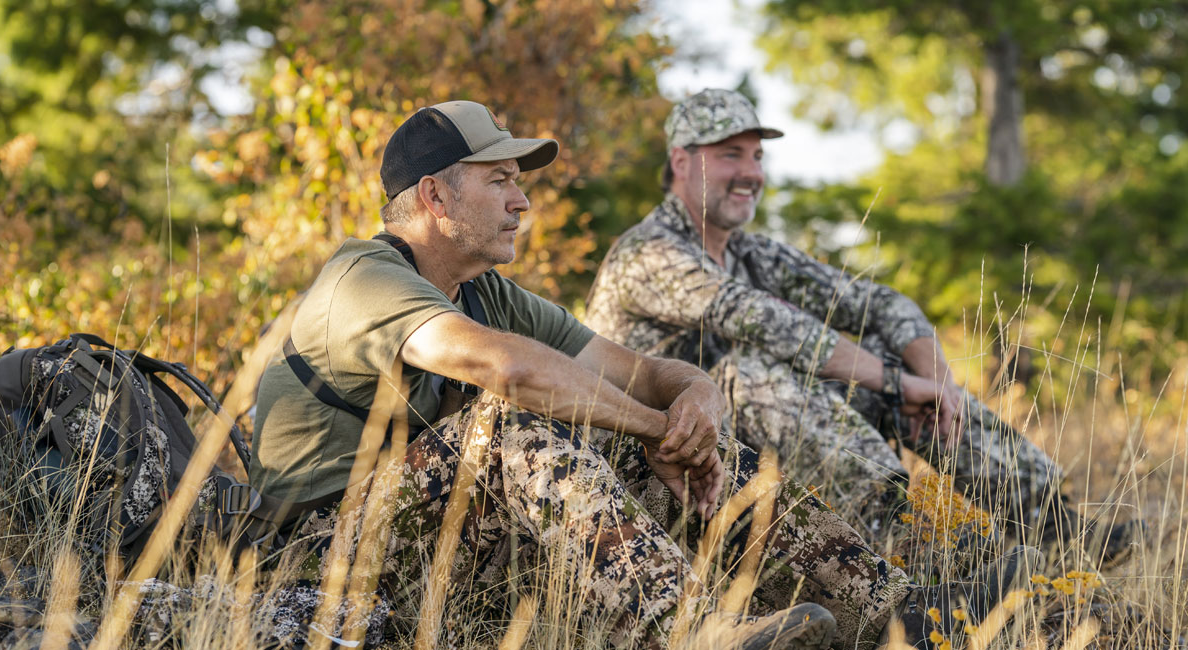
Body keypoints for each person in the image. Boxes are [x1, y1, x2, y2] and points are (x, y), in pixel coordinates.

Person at [250, 100, 1037, 650]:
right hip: (321, 560)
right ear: (433, 195)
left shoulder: (489, 290)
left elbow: (640, 371)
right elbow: (502, 366)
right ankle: (695, 634)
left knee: (662, 438)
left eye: (519, 182)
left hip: (436, 544)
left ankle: (900, 615)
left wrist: (692, 406)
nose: (524, 201)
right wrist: (657, 427)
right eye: (501, 181)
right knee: (512, 423)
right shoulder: (361, 276)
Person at [583, 88, 1140, 564]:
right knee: (749, 373)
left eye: (757, 156)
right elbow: (771, 326)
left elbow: (881, 303)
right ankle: (919, 546)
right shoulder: (648, 252)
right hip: (660, 472)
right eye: (732, 155)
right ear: (681, 162)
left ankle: (1052, 524)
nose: (752, 172)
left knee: (886, 352)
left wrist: (935, 382)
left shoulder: (752, 253)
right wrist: (898, 384)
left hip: (749, 454)